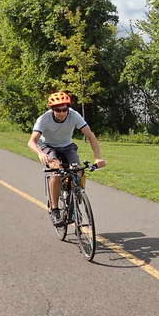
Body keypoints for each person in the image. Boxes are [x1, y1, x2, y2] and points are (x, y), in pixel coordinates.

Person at [27, 91, 105, 226]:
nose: (62, 112)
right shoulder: (44, 119)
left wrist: (97, 158)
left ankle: (76, 197)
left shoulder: (74, 115)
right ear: (52, 109)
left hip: (67, 146)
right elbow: (31, 142)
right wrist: (40, 153)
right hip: (48, 146)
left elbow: (91, 136)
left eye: (64, 109)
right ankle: (55, 209)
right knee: (56, 172)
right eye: (58, 110)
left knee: (79, 170)